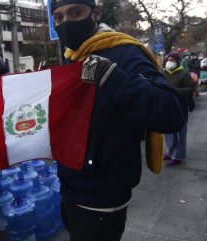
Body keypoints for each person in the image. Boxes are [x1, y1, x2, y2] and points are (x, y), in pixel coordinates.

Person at [51, 1, 187, 240]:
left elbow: (172, 113)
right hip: (70, 187)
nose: (66, 23)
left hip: (102, 196)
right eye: (59, 18)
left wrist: (114, 78)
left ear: (95, 14)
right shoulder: (71, 58)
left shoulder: (124, 52)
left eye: (75, 13)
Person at [162, 53, 195, 166]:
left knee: (180, 131)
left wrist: (175, 91)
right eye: (168, 59)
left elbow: (190, 88)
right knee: (168, 131)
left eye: (172, 60)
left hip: (180, 105)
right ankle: (169, 151)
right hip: (167, 105)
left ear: (177, 61)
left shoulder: (184, 74)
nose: (169, 61)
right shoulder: (163, 73)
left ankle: (178, 155)